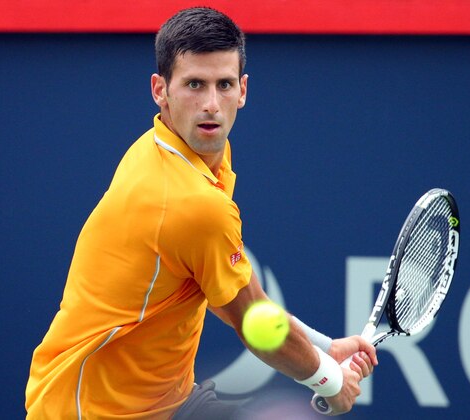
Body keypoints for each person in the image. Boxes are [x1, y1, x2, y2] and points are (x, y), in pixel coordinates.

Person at [25, 7, 377, 420]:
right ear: (160, 90)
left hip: (161, 402)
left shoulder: (184, 150)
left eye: (224, 85)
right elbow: (253, 321)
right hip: (91, 411)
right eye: (194, 84)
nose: (211, 104)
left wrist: (323, 347)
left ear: (243, 90)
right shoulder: (189, 201)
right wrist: (330, 380)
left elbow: (233, 297)